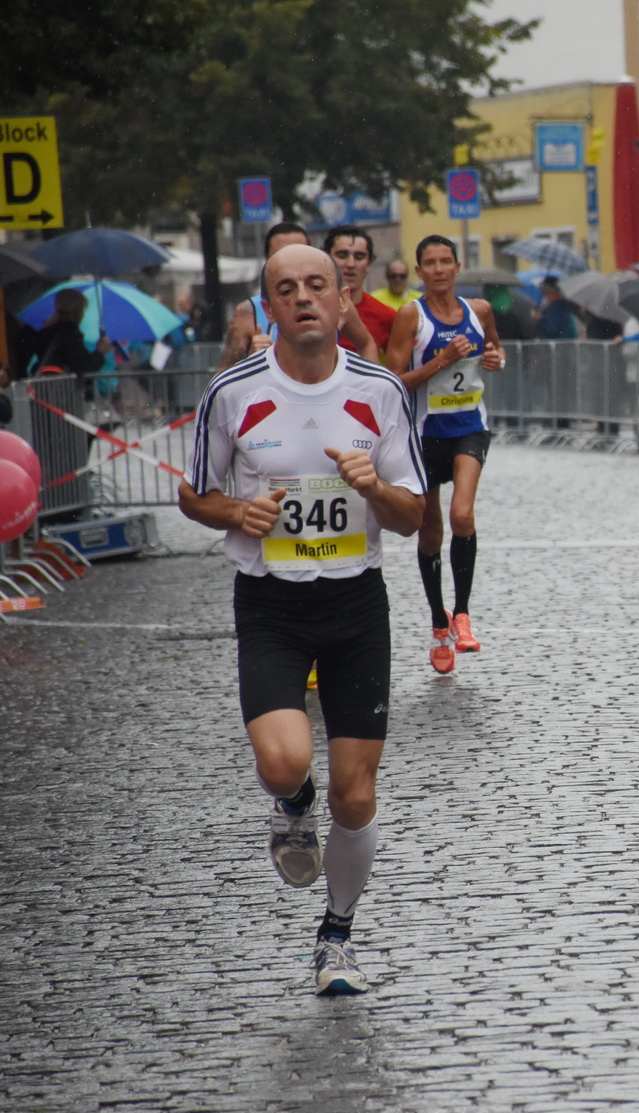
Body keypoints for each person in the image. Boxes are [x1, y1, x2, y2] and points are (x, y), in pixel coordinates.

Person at [178, 243, 427, 995]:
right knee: (284, 760)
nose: (305, 298)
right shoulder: (235, 391)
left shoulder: (381, 391)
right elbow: (194, 495)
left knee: (358, 793)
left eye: (318, 285)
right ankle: (292, 805)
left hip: (356, 604)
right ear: (271, 306)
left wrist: (375, 487)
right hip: (273, 604)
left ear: (342, 299)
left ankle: (336, 937)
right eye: (287, 289)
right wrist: (236, 509)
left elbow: (414, 516)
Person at [385, 235, 506, 674]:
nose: (438, 270)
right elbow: (394, 381)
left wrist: (495, 360)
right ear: (419, 272)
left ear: (458, 266)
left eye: (445, 262)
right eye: (429, 263)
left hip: (469, 428)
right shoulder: (410, 316)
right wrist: (439, 361)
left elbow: (494, 348)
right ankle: (439, 624)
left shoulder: (480, 311)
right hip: (423, 435)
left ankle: (463, 614)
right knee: (431, 532)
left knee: (463, 516)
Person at [220, 222, 379, 370]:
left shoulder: (336, 303)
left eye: (299, 251)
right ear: (267, 258)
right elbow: (223, 380)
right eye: (282, 254)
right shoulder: (248, 312)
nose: (302, 298)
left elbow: (366, 344)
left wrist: (370, 386)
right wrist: (251, 362)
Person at [324, 225, 399, 354]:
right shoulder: (311, 309)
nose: (351, 264)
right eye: (342, 255)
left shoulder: (386, 316)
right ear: (326, 259)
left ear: (369, 263)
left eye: (359, 257)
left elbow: (396, 370)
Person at [20, 289, 110, 376]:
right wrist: (100, 352)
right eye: (82, 310)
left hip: (47, 388)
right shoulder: (69, 335)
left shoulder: (47, 332)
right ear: (76, 312)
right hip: (65, 389)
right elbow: (85, 366)